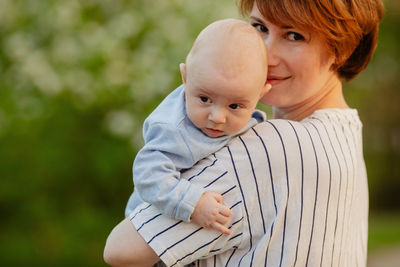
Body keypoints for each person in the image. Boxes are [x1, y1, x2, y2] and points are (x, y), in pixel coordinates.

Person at [104, 0, 384, 266]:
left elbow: (119, 250)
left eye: (294, 36)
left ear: (342, 48)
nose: (267, 55)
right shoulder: (344, 133)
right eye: (260, 28)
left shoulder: (272, 148)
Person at [125, 18, 271, 235]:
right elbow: (148, 173)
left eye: (234, 105)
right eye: (204, 99)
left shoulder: (256, 123)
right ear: (185, 78)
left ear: (260, 96)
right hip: (149, 230)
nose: (217, 117)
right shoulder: (174, 129)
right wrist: (194, 204)